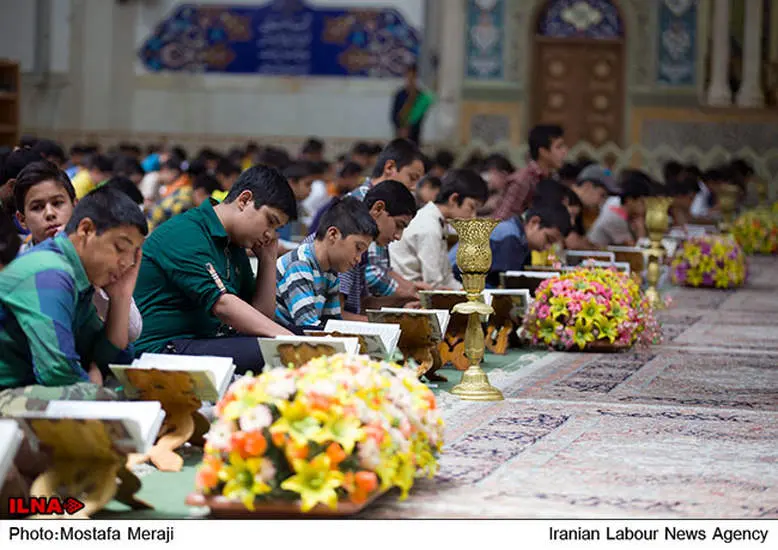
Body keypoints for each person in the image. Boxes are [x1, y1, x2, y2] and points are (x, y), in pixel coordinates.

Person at [132, 165, 299, 373]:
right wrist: (291, 342)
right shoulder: (186, 232)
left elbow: (262, 318)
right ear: (244, 200)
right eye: (270, 222)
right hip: (162, 349)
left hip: (203, 340)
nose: (270, 235)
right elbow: (223, 305)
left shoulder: (234, 243)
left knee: (304, 336)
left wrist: (268, 260)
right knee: (277, 353)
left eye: (276, 229)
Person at [0, 186, 146, 396]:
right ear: (86, 230)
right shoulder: (50, 272)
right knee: (112, 399)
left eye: (133, 255)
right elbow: (58, 374)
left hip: (20, 392)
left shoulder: (76, 274)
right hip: (6, 398)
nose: (127, 263)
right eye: (120, 248)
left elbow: (109, 359)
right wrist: (94, 388)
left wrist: (120, 296)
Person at [301, 180, 418, 320]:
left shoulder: (360, 247)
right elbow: (337, 317)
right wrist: (387, 324)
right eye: (398, 225)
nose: (398, 236)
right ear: (378, 208)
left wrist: (401, 301)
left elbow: (360, 305)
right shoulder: (345, 247)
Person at [275, 197, 377, 328]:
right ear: (333, 234)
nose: (358, 259)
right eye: (358, 248)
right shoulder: (299, 265)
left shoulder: (330, 272)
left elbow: (332, 323)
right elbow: (309, 327)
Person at [390, 169, 487, 290]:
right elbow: (434, 283)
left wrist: (471, 294)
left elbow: (446, 277)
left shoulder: (437, 221)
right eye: (471, 207)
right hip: (408, 296)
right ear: (454, 199)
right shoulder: (429, 226)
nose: (473, 216)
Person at [485, 203, 571, 288]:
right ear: (534, 223)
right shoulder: (510, 238)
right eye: (548, 239)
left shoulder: (523, 241)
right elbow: (499, 286)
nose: (548, 247)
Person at [493, 125, 568, 220]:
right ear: (543, 152)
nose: (564, 151)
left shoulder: (553, 177)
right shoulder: (523, 180)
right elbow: (500, 219)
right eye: (559, 147)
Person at [587, 170, 653, 247]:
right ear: (629, 200)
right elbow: (638, 249)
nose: (646, 207)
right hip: (594, 255)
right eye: (642, 202)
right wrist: (641, 228)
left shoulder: (614, 202)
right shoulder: (615, 217)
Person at [391, 63, 434, 146]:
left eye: (413, 76)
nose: (410, 79)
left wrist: (409, 129)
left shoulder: (421, 96)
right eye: (408, 76)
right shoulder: (399, 94)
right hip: (399, 134)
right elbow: (393, 114)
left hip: (414, 136)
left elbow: (420, 117)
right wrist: (400, 128)